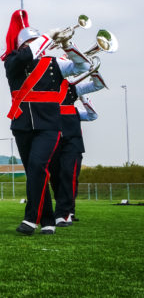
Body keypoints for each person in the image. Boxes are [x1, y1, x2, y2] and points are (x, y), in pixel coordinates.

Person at [1, 10, 89, 235]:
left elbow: (82, 67)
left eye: (35, 40)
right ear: (22, 45)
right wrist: (47, 37)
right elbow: (24, 57)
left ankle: (31, 219)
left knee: (38, 166)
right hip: (22, 125)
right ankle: (48, 219)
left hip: (49, 125)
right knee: (35, 173)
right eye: (29, 42)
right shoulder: (13, 61)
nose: (34, 45)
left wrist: (68, 44)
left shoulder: (55, 63)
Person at [50, 70, 103, 227]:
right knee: (55, 179)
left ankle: (63, 213)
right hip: (53, 142)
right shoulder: (49, 102)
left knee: (69, 175)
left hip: (72, 144)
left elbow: (92, 115)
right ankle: (66, 209)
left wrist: (82, 97)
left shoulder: (75, 110)